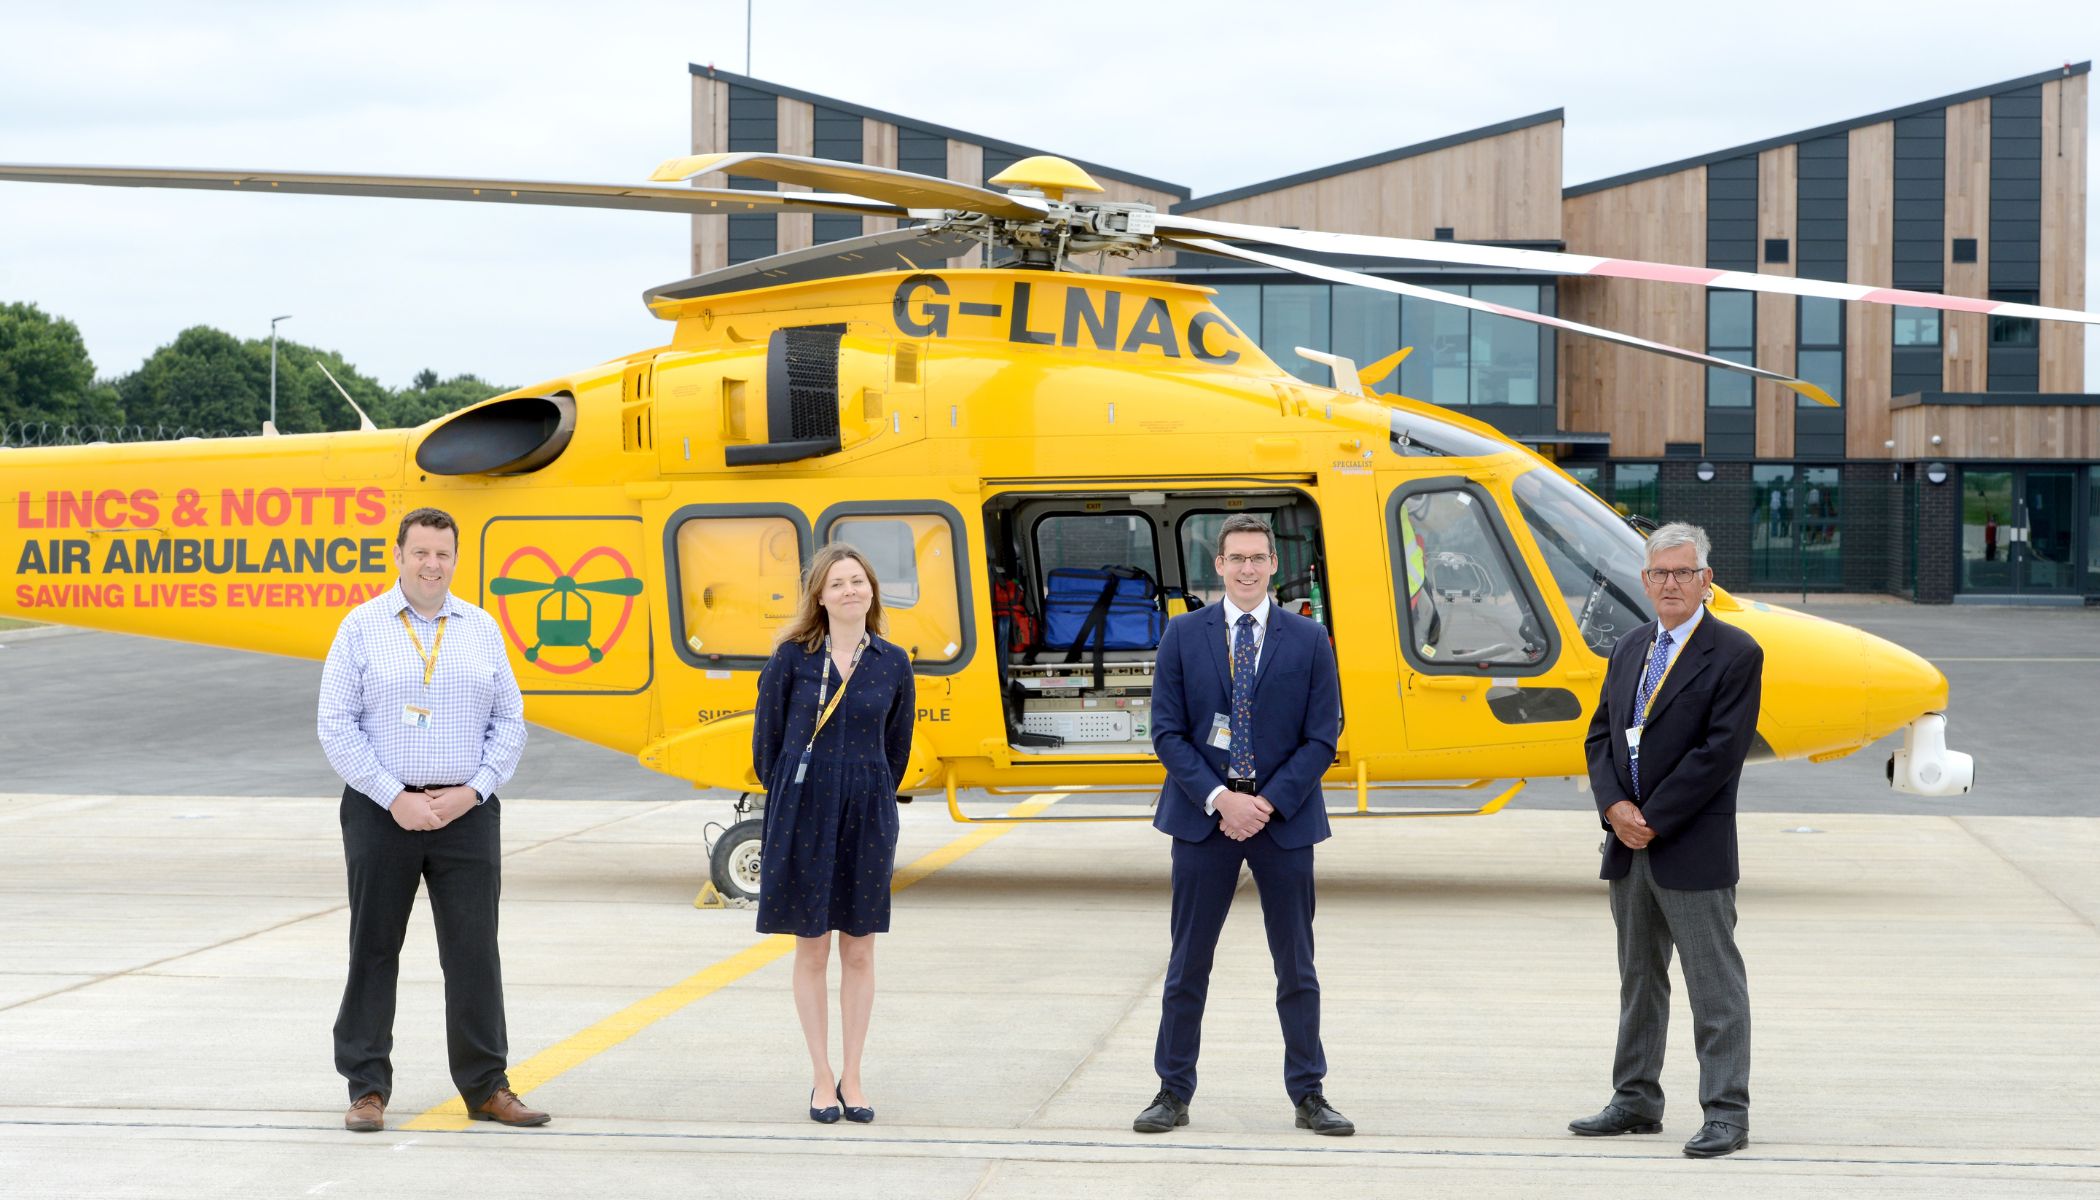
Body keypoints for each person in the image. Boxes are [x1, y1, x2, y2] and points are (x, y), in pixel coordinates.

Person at [316, 507, 543, 1133]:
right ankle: (366, 1088)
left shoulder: (480, 628)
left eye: (443, 553)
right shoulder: (360, 627)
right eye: (420, 552)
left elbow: (510, 723)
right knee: (374, 948)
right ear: (398, 555)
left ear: (456, 558)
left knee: (474, 953)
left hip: (465, 812)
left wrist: (474, 790)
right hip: (381, 809)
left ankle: (487, 1086)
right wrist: (395, 796)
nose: (432, 564)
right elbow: (336, 725)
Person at [1135, 513, 1352, 1137]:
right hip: (1204, 821)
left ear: (1274, 565)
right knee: (1187, 964)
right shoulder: (1183, 635)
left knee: (1297, 966)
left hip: (1283, 822)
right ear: (1219, 565)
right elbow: (1167, 734)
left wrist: (1267, 802)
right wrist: (1219, 798)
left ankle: (1310, 1095)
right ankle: (1171, 1092)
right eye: (1237, 558)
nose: (1248, 568)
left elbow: (1322, 736)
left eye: (1259, 557)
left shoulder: (1308, 639)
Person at [1572, 522, 1763, 1159]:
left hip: (1690, 846)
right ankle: (1635, 1100)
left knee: (1715, 988)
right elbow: (1601, 736)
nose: (1671, 583)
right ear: (1646, 581)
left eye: (1684, 573)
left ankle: (1726, 1113)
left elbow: (1719, 754)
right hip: (1627, 845)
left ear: (1706, 582)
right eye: (1660, 573)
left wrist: (1651, 815)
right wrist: (1615, 809)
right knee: (1639, 981)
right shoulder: (1628, 647)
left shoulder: (1735, 653)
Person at [751, 543, 917, 1125]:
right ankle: (821, 1076)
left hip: (868, 809)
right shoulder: (791, 659)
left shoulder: (894, 661)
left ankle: (854, 1074)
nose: (851, 590)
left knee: (862, 949)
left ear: (872, 590)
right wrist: (804, 794)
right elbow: (766, 747)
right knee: (812, 946)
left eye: (859, 581)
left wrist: (866, 789)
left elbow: (897, 747)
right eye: (838, 583)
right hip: (803, 808)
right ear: (819, 597)